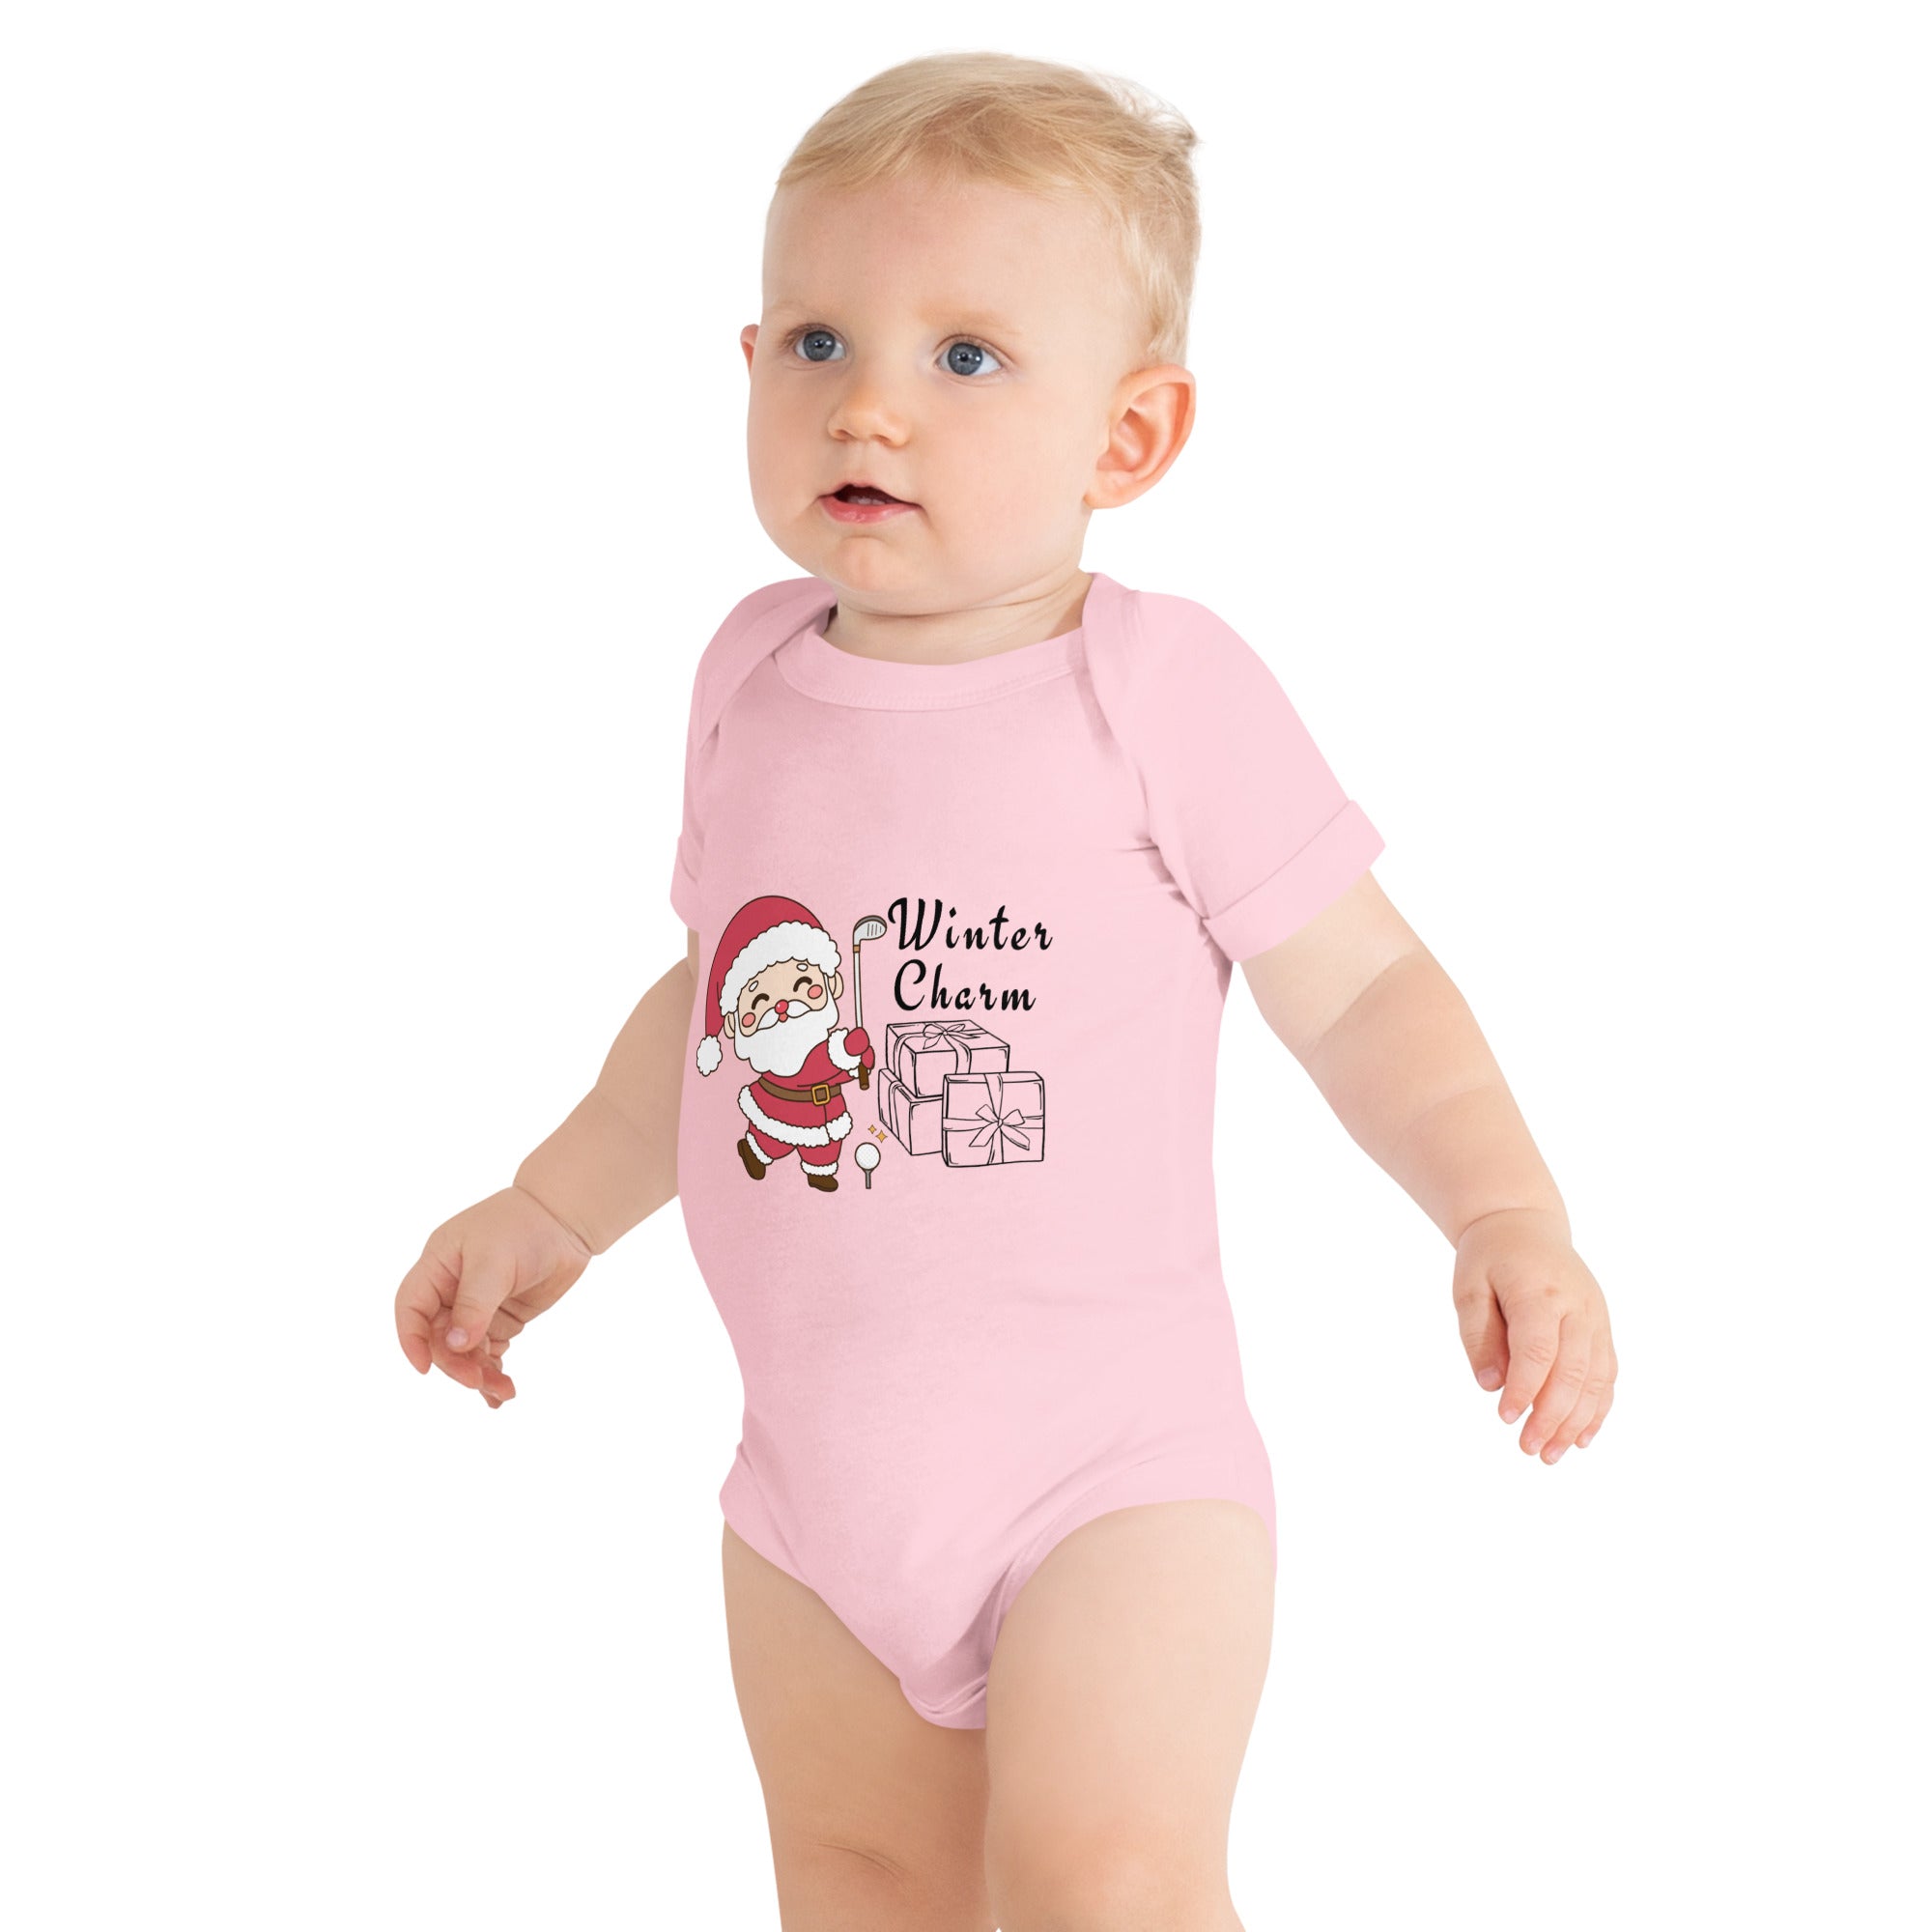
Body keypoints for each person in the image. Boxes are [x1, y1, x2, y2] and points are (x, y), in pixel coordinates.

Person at [392, 50, 1617, 1932]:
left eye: (965, 355)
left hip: (1109, 1480)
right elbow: (725, 998)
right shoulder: (747, 677)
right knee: (862, 1888)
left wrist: (1502, 1209)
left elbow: (1365, 985)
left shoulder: (1158, 689)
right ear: (747, 365)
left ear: (1127, 439)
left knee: (1104, 1886)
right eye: (818, 341)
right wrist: (553, 1201)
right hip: (811, 1496)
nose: (869, 399)